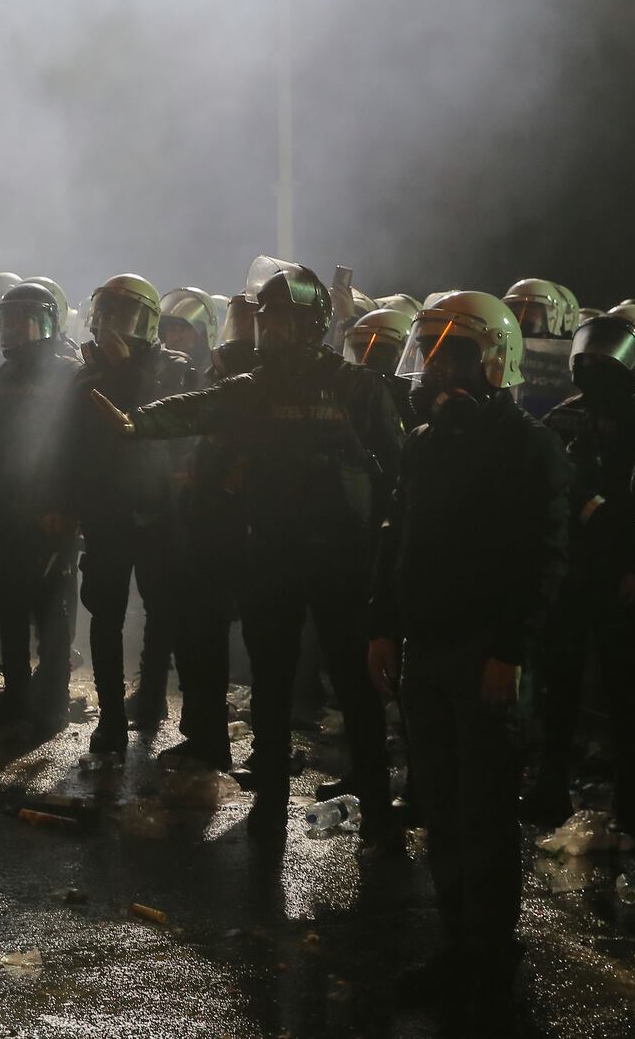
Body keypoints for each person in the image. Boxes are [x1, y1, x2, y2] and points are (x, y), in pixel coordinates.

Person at [91, 259, 400, 843]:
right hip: (274, 554)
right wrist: (135, 423)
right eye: (266, 321)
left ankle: (378, 809)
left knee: (355, 687)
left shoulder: (359, 387)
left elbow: (402, 471)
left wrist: (388, 540)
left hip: (343, 558)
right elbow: (196, 408)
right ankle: (271, 805)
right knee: (272, 681)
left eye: (284, 321)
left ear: (313, 326)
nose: (271, 332)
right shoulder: (254, 389)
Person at [366, 291, 570, 1011]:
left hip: (485, 654)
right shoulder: (423, 444)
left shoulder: (529, 446)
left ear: (493, 361)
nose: (437, 371)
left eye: (454, 354)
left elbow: (543, 557)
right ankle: (457, 945)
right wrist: (384, 625)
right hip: (427, 654)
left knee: (484, 814)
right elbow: (401, 543)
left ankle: (489, 957)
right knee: (444, 812)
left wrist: (511, 651)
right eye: (433, 353)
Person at [524, 312, 635, 830]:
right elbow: (545, 491)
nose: (597, 364)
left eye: (608, 356)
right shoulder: (564, 416)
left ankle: (627, 804)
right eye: (590, 355)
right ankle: (550, 787)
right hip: (572, 571)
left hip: (621, 572)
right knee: (559, 688)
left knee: (626, 693)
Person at [0, 282, 80, 732]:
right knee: (8, 606)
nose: (9, 329)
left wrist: (65, 507)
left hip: (47, 513)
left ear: (46, 323)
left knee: (50, 611)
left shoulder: (70, 376)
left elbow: (78, 451)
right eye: (4, 319)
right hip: (0, 509)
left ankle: (53, 701)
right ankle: (18, 694)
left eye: (20, 319)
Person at [73, 273, 193, 755]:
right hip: (106, 509)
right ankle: (110, 715)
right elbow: (69, 444)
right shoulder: (84, 373)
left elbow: (168, 418)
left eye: (123, 314)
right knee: (105, 612)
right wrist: (66, 502)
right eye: (105, 313)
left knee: (161, 607)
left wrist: (125, 371)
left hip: (158, 507)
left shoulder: (174, 367)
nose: (111, 324)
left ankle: (151, 698)